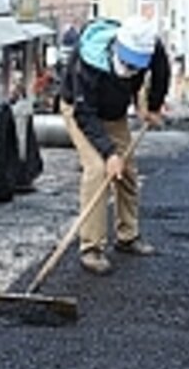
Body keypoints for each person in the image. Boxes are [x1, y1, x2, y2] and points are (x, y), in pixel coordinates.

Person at [60, 17, 170, 274]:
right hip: (80, 111)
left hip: (114, 113)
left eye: (137, 66)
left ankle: (127, 236)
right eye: (127, 64)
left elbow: (162, 73)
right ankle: (91, 248)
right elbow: (84, 113)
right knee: (98, 170)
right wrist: (109, 154)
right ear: (117, 48)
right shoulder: (87, 61)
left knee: (127, 171)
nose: (131, 70)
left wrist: (153, 106)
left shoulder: (151, 47)